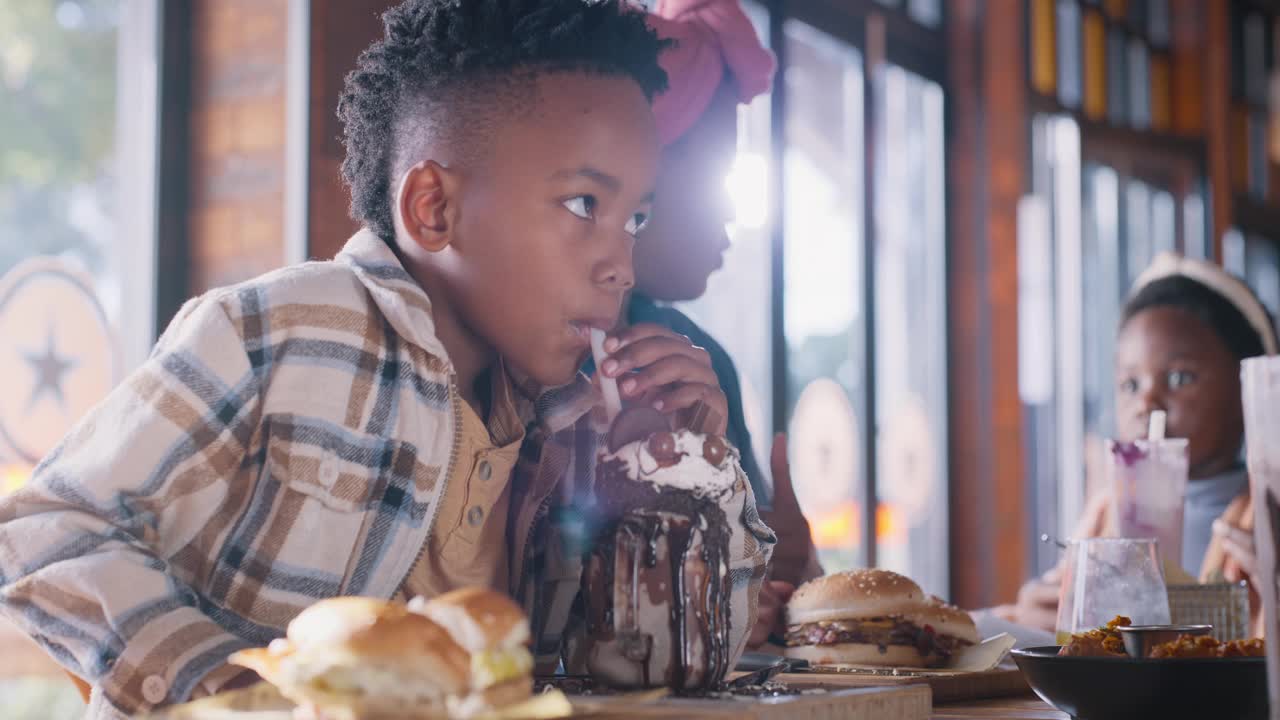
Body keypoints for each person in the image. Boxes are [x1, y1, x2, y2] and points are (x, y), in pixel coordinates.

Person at [0, 2, 773, 717]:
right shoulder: (284, 332)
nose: (622, 267)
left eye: (636, 217)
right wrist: (235, 692)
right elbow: (45, 531)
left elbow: (661, 676)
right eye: (584, 206)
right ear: (433, 209)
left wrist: (686, 477)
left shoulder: (580, 420)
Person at [618, 0, 821, 648]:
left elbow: (759, 579)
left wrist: (787, 571)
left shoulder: (699, 360)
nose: (733, 211)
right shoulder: (537, 353)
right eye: (718, 175)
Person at [1000, 252, 1278, 633]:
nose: (1145, 403)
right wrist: (1040, 618)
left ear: (1249, 389)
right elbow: (1056, 619)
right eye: (1131, 385)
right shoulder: (1103, 520)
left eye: (1180, 378)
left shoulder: (1268, 520)